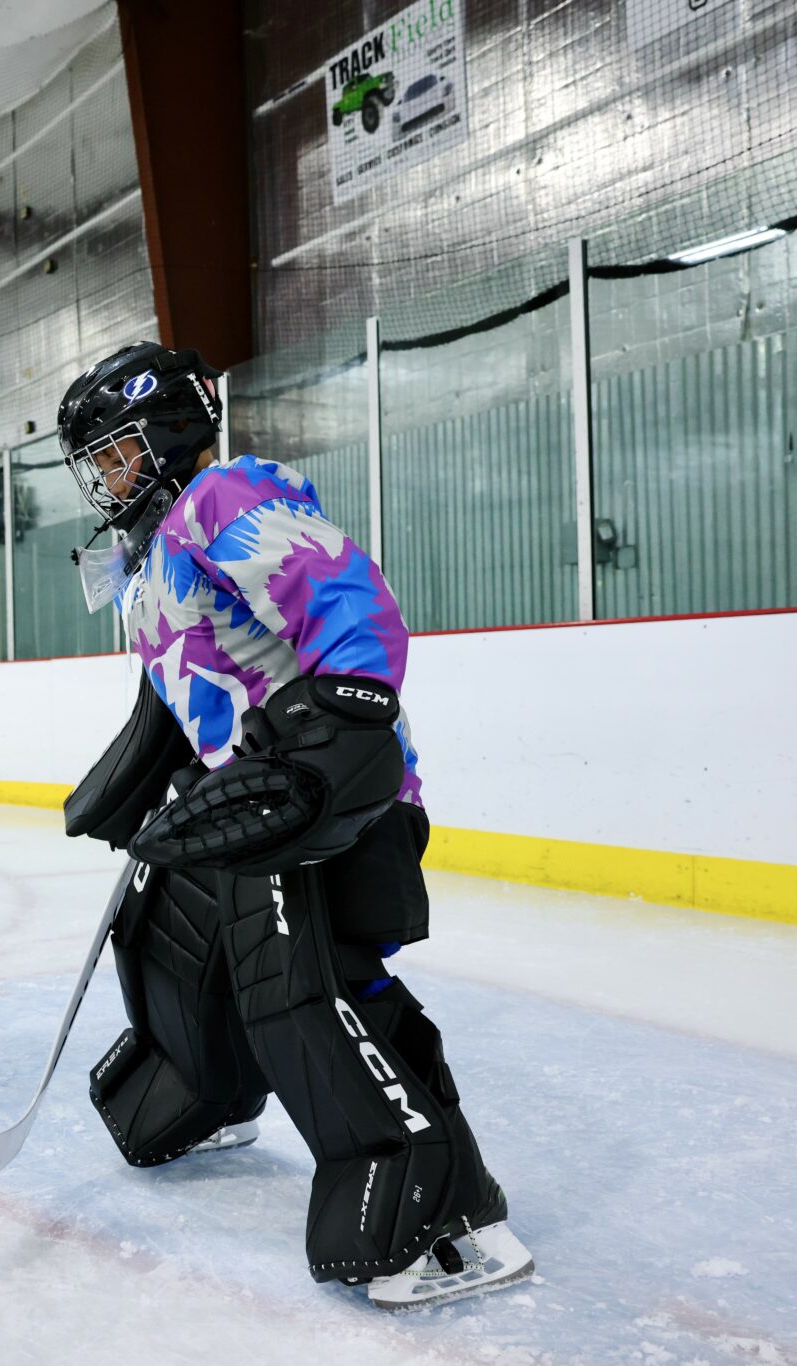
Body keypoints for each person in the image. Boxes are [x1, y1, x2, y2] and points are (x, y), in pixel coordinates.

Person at [54, 340, 532, 1311]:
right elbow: (189, 690)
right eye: (94, 462)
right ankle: (197, 1091)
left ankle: (434, 1203)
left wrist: (331, 730)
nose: (102, 478)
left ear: (170, 432)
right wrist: (139, 781)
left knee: (303, 989)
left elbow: (347, 604)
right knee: (160, 940)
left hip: (321, 801)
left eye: (114, 452)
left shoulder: (220, 499)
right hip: (246, 803)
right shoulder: (151, 560)